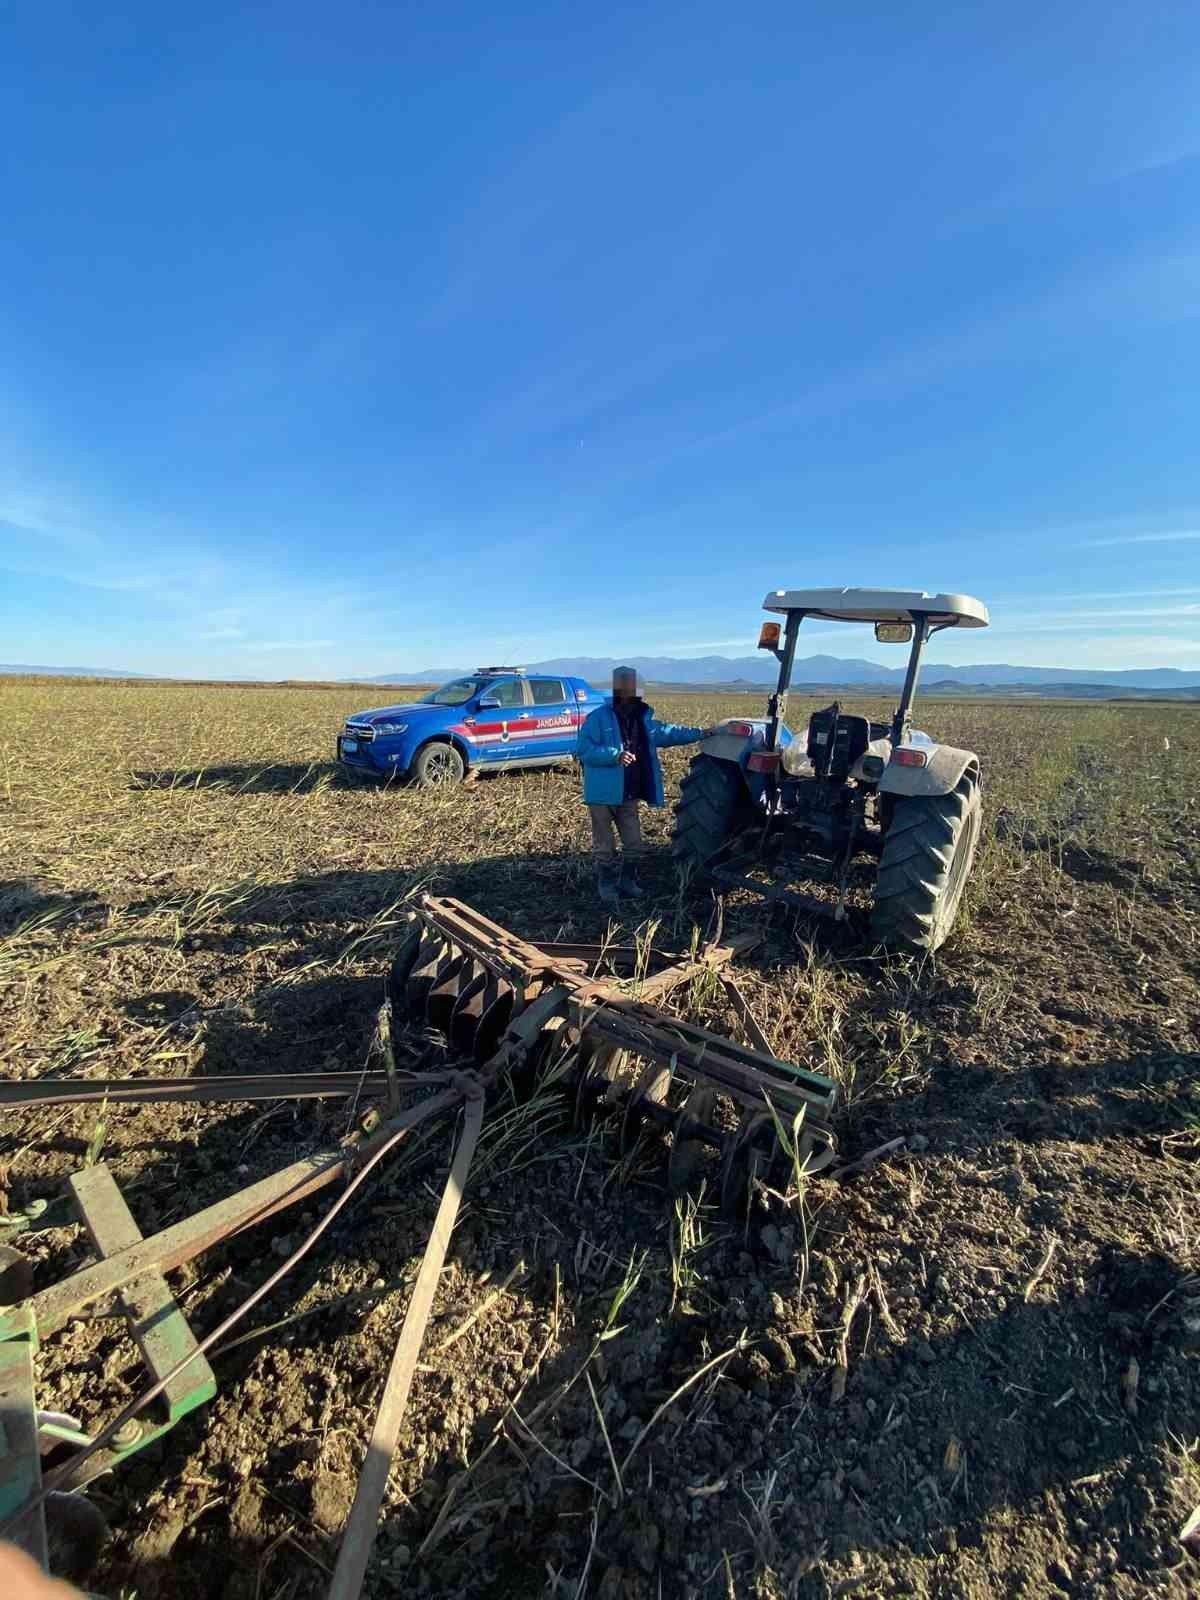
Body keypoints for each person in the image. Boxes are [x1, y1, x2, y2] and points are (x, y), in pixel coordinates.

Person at [576, 667, 714, 905]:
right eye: (625, 685)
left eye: (633, 685)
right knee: (604, 845)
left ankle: (627, 881)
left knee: (634, 842)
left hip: (629, 792)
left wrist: (701, 733)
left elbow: (669, 733)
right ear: (617, 687)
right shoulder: (598, 717)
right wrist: (615, 755)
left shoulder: (643, 719)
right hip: (602, 794)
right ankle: (606, 884)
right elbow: (584, 750)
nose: (630, 690)